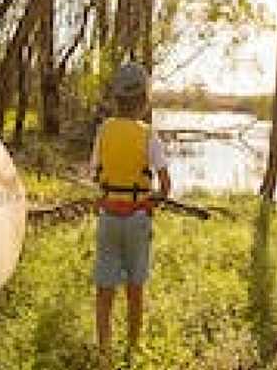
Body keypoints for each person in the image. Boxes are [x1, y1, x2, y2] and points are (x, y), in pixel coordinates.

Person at [90, 62, 171, 365]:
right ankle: (133, 349)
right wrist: (154, 200)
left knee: (104, 289)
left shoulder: (104, 131)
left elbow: (95, 175)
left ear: (116, 98)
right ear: (144, 100)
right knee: (135, 287)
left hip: (109, 218)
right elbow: (165, 185)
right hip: (138, 220)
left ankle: (104, 353)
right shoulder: (149, 135)